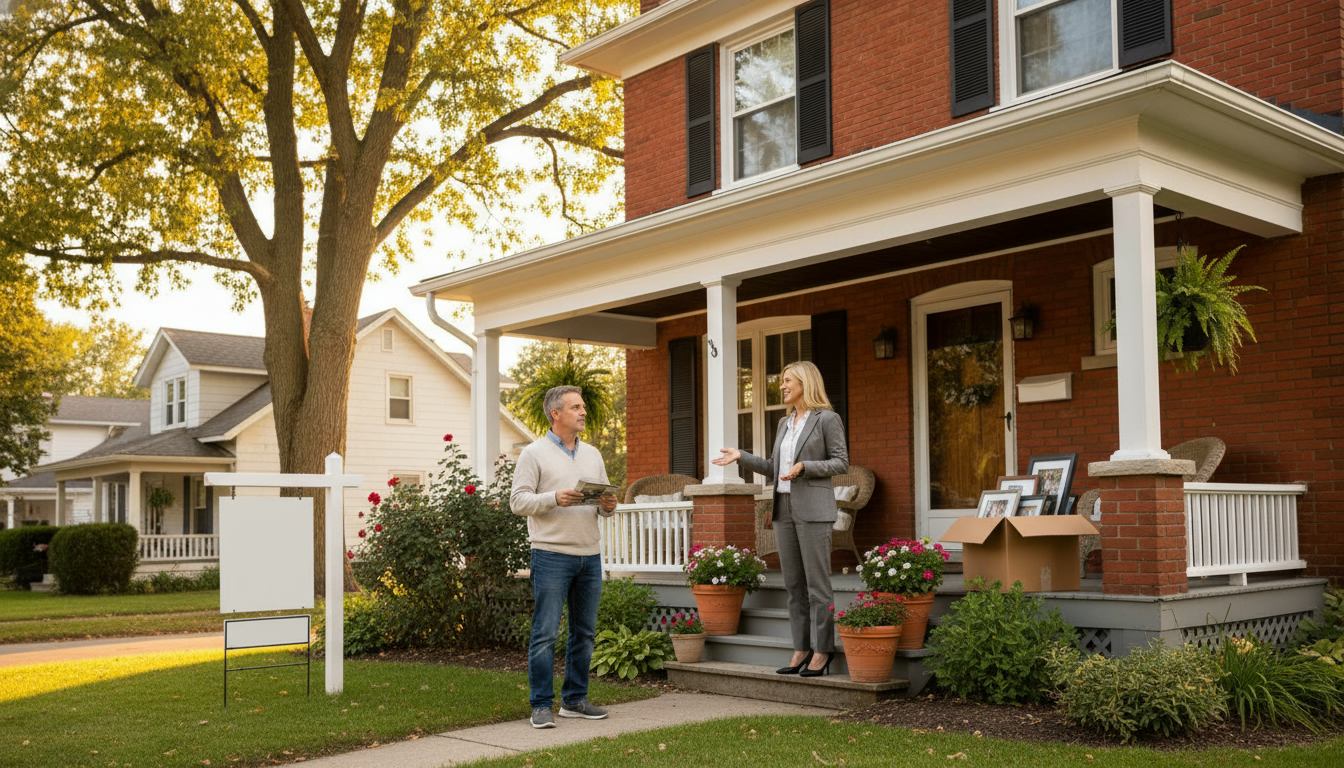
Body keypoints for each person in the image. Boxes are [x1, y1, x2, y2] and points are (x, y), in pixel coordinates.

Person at [712, 360, 848, 677]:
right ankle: (801, 647)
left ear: (805, 383)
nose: (782, 386)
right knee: (793, 585)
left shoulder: (827, 419)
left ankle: (823, 650)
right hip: (783, 508)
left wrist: (806, 467)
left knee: (818, 586)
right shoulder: (784, 424)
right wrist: (741, 457)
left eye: (788, 381)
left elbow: (841, 462)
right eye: (782, 381)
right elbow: (775, 467)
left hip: (814, 509)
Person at [510, 385, 618, 728]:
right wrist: (553, 498)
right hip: (551, 555)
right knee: (545, 634)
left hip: (590, 554)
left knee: (584, 633)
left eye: (583, 406)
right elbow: (518, 502)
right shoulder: (533, 454)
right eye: (575, 407)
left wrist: (608, 507)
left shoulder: (593, 454)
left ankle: (574, 700)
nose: (583, 411)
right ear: (555, 413)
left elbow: (601, 505)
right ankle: (541, 704)